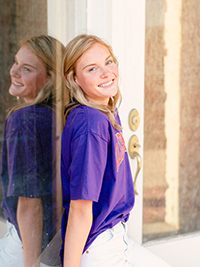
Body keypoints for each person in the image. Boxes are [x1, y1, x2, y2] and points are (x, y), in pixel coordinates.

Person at [60, 33, 171, 267]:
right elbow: (80, 209)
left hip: (116, 237)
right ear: (74, 79)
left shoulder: (105, 109)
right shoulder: (91, 125)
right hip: (99, 247)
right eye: (92, 69)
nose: (106, 72)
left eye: (108, 62)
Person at [0, 35, 65, 267]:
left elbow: (29, 203)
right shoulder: (62, 115)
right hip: (57, 241)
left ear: (50, 79)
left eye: (26, 68)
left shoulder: (23, 120)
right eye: (16, 62)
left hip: (28, 245)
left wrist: (30, 264)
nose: (14, 71)